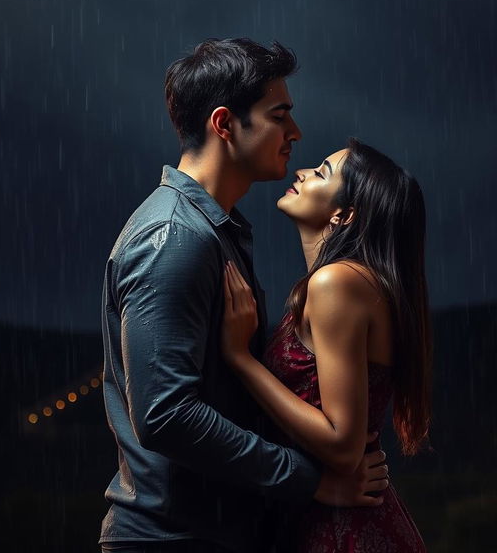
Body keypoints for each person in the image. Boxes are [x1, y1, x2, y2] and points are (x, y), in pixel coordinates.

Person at [99, 39, 389, 553]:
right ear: (225, 125)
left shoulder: (217, 232)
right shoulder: (175, 238)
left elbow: (228, 397)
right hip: (173, 539)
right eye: (280, 116)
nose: (295, 133)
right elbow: (165, 414)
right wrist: (308, 479)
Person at [221, 139, 431, 552]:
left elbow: (342, 445)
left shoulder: (337, 283)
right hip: (337, 515)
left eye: (321, 172)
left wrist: (240, 358)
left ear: (344, 214)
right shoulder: (354, 283)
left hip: (343, 530)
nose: (301, 172)